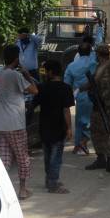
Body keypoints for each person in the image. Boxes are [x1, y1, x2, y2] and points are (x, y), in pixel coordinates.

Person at [0, 45, 38, 200]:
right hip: (15, 124)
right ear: (17, 59)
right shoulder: (16, 76)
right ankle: (22, 190)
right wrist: (27, 74)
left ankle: (1, 191)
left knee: (3, 159)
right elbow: (34, 91)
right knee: (22, 156)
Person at [33, 60, 75, 194]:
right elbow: (66, 110)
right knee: (56, 157)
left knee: (47, 155)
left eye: (46, 71)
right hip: (58, 127)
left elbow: (34, 106)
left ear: (51, 72)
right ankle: (53, 183)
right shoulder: (66, 88)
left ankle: (49, 180)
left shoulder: (41, 87)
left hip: (44, 126)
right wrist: (69, 128)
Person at [85, 44, 110, 174]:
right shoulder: (98, 67)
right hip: (97, 106)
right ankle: (100, 159)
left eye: (96, 54)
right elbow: (92, 83)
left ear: (99, 54)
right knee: (96, 132)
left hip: (108, 107)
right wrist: (79, 89)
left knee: (109, 133)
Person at [64, 42, 96, 155]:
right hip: (94, 95)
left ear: (78, 52)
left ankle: (78, 146)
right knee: (93, 121)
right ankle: (83, 142)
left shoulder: (72, 65)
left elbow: (67, 83)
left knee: (80, 122)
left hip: (80, 97)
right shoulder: (94, 63)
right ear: (90, 51)